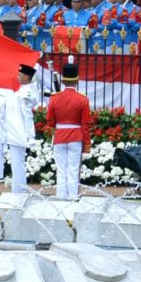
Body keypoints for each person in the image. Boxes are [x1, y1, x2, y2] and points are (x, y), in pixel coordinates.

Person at [46, 62, 92, 200]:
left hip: (60, 136)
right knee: (73, 169)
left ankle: (61, 196)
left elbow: (49, 121)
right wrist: (87, 146)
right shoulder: (83, 99)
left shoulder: (54, 98)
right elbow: (85, 124)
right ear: (77, 80)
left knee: (61, 170)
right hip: (76, 137)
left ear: (63, 80)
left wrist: (57, 126)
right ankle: (72, 196)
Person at [7, 64, 39, 194]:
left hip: (19, 131)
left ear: (26, 77)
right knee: (16, 163)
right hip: (16, 130)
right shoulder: (23, 89)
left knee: (17, 163)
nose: (17, 76)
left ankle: (18, 191)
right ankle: (19, 189)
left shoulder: (27, 92)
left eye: (19, 74)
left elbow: (27, 115)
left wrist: (30, 136)